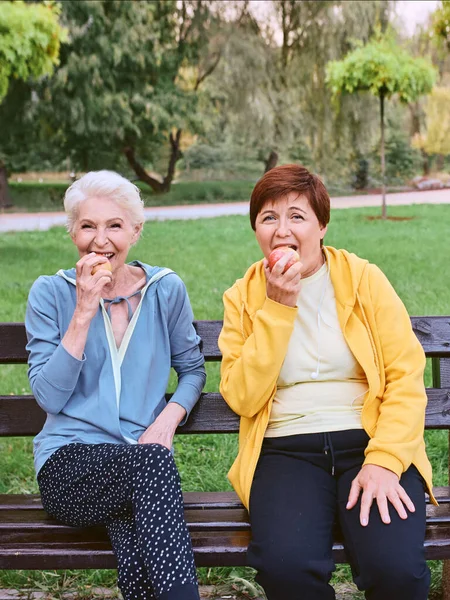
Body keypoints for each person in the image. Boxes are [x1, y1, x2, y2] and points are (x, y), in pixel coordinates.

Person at [218, 164, 435, 600]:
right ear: (256, 230)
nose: (282, 230)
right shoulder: (243, 296)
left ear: (322, 225)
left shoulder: (363, 279)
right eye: (268, 218)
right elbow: (242, 396)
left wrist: (385, 460)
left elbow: (405, 376)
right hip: (285, 449)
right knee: (287, 572)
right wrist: (278, 309)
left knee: (396, 571)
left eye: (297, 216)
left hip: (369, 441)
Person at [25, 171, 206, 600]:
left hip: (136, 468)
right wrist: (84, 310)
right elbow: (48, 396)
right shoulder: (50, 293)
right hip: (69, 468)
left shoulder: (166, 291)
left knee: (135, 531)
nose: (99, 240)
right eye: (87, 225)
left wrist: (166, 422)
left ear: (136, 231)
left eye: (114, 225)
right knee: (151, 468)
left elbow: (193, 371)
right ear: (72, 232)